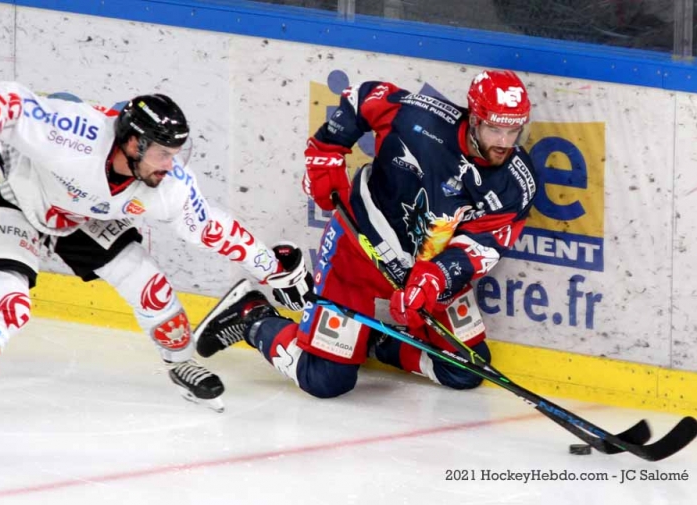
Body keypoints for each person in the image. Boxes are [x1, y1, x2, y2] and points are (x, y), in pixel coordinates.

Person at [0, 83, 311, 461]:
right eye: (162, 153)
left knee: (152, 288)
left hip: (79, 216)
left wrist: (274, 270)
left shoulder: (169, 185)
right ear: (133, 144)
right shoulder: (77, 132)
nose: (170, 164)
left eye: (175, 153)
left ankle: (180, 364)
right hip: (15, 195)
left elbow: (212, 229)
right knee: (8, 305)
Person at [192, 69, 537, 399]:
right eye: (494, 129)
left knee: (467, 369)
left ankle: (370, 339)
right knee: (324, 379)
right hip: (358, 251)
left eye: (513, 132)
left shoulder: (517, 182)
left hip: (427, 272)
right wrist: (325, 152)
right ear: (474, 117)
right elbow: (362, 97)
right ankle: (252, 315)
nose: (504, 142)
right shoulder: (420, 119)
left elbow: (483, 246)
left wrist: (434, 280)